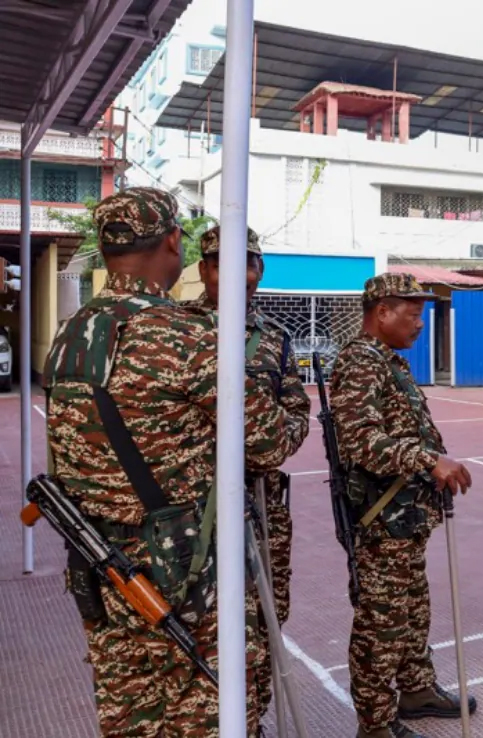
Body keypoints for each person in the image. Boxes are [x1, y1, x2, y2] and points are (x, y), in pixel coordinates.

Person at [41, 188, 291, 737]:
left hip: (101, 564)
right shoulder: (190, 335)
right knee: (209, 711)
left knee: (130, 714)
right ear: (174, 242)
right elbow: (268, 445)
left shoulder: (68, 335)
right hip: (185, 569)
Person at [328, 273, 477, 738]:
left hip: (404, 518)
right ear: (381, 313)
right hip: (381, 521)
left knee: (412, 608)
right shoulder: (361, 363)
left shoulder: (386, 360)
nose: (418, 325)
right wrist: (429, 459)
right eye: (412, 315)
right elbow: (361, 443)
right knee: (382, 623)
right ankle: (374, 724)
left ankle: (415, 690)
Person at [185, 225, 312, 730]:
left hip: (262, 503)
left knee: (266, 612)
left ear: (259, 271)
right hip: (194, 507)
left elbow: (297, 408)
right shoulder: (179, 329)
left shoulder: (275, 338)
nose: (238, 273)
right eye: (221, 263)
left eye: (249, 263)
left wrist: (269, 436)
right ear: (203, 270)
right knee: (207, 615)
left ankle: (251, 718)